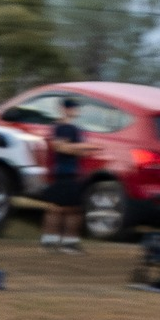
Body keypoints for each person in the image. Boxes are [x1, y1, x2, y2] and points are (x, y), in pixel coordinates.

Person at [41, 98, 102, 253]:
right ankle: (68, 244)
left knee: (57, 207)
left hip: (64, 172)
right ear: (64, 109)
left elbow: (66, 148)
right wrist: (85, 146)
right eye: (73, 108)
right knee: (73, 210)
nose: (76, 111)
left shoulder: (66, 128)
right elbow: (61, 148)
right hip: (67, 172)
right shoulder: (65, 127)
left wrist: (81, 149)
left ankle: (50, 241)